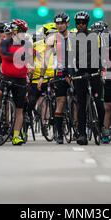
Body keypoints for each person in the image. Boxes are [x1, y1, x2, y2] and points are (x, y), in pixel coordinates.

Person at [0, 19, 32, 146]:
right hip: (6, 77)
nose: (23, 34)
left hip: (21, 78)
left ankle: (16, 136)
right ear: (14, 31)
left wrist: (28, 64)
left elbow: (29, 58)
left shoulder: (27, 44)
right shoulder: (6, 42)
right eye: (21, 31)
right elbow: (5, 55)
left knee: (19, 110)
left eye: (24, 32)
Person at [39, 13, 76, 143]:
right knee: (60, 101)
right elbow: (45, 58)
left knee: (76, 100)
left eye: (62, 23)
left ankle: (77, 128)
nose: (60, 26)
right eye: (58, 24)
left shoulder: (75, 37)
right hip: (60, 72)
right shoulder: (52, 39)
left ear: (67, 24)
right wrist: (41, 77)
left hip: (74, 71)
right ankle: (59, 134)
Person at [70, 11, 105, 145]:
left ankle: (102, 126)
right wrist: (71, 73)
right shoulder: (72, 38)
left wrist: (103, 70)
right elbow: (70, 57)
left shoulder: (95, 36)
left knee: (99, 103)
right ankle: (82, 134)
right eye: (78, 23)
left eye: (83, 22)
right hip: (80, 74)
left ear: (87, 23)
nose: (80, 25)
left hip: (95, 72)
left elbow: (102, 54)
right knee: (81, 105)